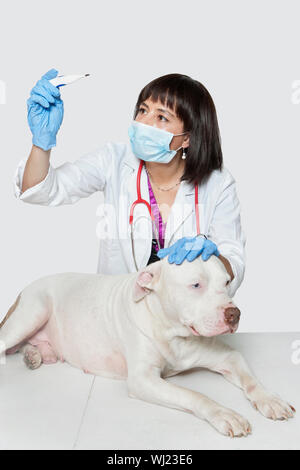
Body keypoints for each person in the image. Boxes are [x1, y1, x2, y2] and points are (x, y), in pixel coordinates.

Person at [13, 69, 246, 297]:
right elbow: (41, 190)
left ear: (187, 138)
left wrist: (215, 259)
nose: (143, 122)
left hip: (184, 322)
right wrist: (41, 143)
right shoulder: (112, 161)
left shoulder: (218, 184)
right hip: (117, 320)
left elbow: (233, 261)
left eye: (162, 117)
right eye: (143, 110)